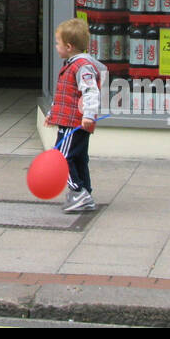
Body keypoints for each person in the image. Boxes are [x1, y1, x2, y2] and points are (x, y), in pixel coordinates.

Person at [44, 18, 103, 213]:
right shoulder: (71, 65)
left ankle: (78, 192)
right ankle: (84, 190)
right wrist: (52, 114)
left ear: (68, 46)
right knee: (78, 158)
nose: (56, 46)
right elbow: (64, 95)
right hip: (69, 121)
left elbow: (91, 92)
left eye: (57, 43)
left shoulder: (81, 67)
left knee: (61, 157)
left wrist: (89, 115)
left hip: (74, 123)